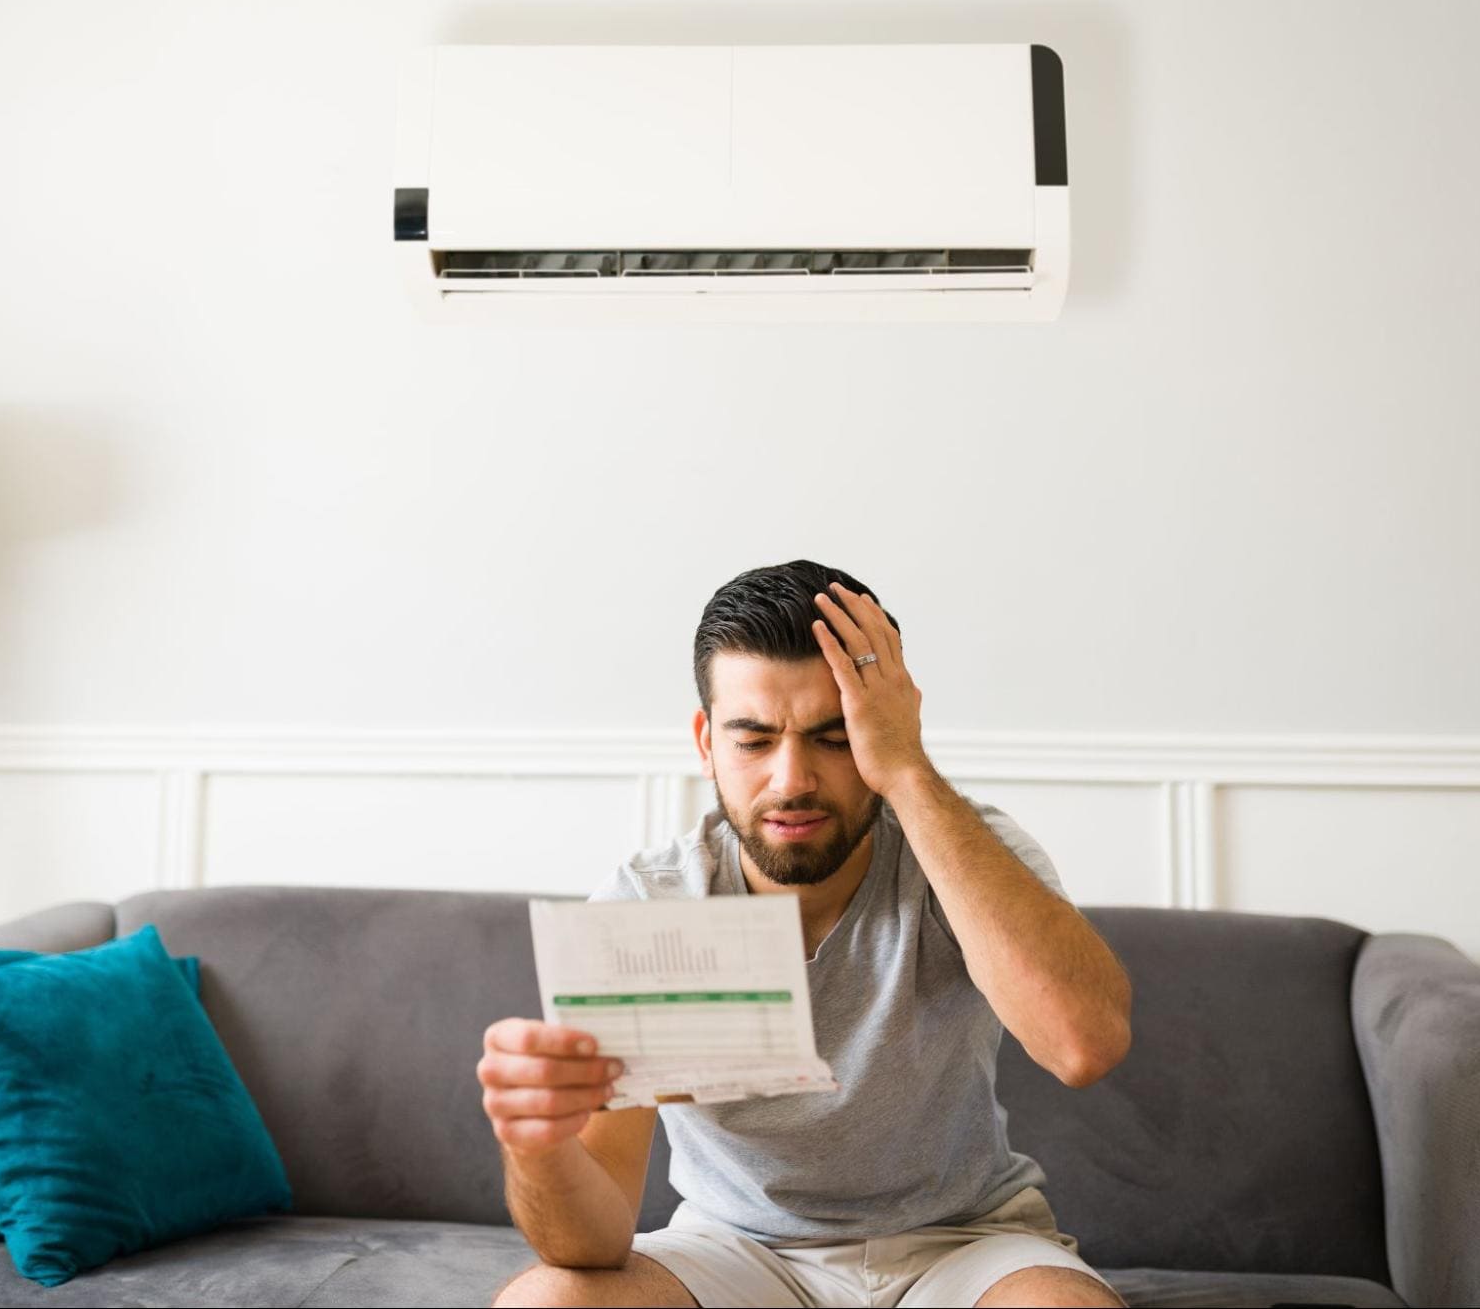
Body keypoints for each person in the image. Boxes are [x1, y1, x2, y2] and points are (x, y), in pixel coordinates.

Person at [483, 561, 1132, 1308]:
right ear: (706, 742)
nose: (791, 780)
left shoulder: (966, 851)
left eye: (833, 738)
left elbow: (1083, 1046)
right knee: (546, 1300)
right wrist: (532, 1143)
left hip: (965, 1242)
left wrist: (908, 771)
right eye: (753, 740)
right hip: (733, 1250)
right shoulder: (649, 903)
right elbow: (589, 1247)